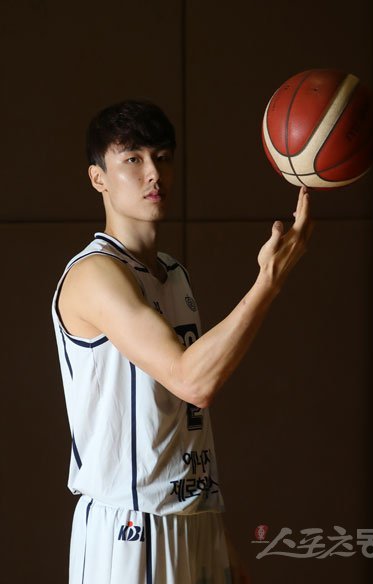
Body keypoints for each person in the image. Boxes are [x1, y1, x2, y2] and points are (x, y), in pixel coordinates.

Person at [52, 99, 314, 584]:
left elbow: (182, 422)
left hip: (193, 518)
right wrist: (268, 281)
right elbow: (193, 381)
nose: (153, 173)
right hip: (129, 529)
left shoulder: (173, 274)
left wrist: (217, 536)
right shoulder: (95, 274)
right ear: (98, 178)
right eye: (133, 159)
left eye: (163, 157)